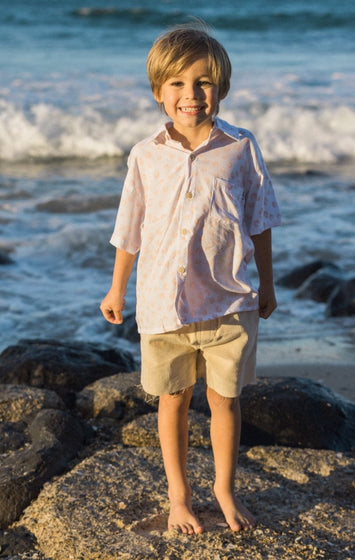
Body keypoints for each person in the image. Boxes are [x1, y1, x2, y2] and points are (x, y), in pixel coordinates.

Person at [100, 23, 281, 535]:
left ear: (220, 89)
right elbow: (129, 228)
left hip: (230, 302)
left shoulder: (240, 148)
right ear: (159, 92)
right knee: (172, 400)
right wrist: (117, 288)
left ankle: (224, 489)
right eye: (177, 84)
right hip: (163, 303)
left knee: (226, 400)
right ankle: (179, 497)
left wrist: (267, 285)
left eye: (204, 83)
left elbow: (261, 219)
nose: (191, 95)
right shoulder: (145, 154)